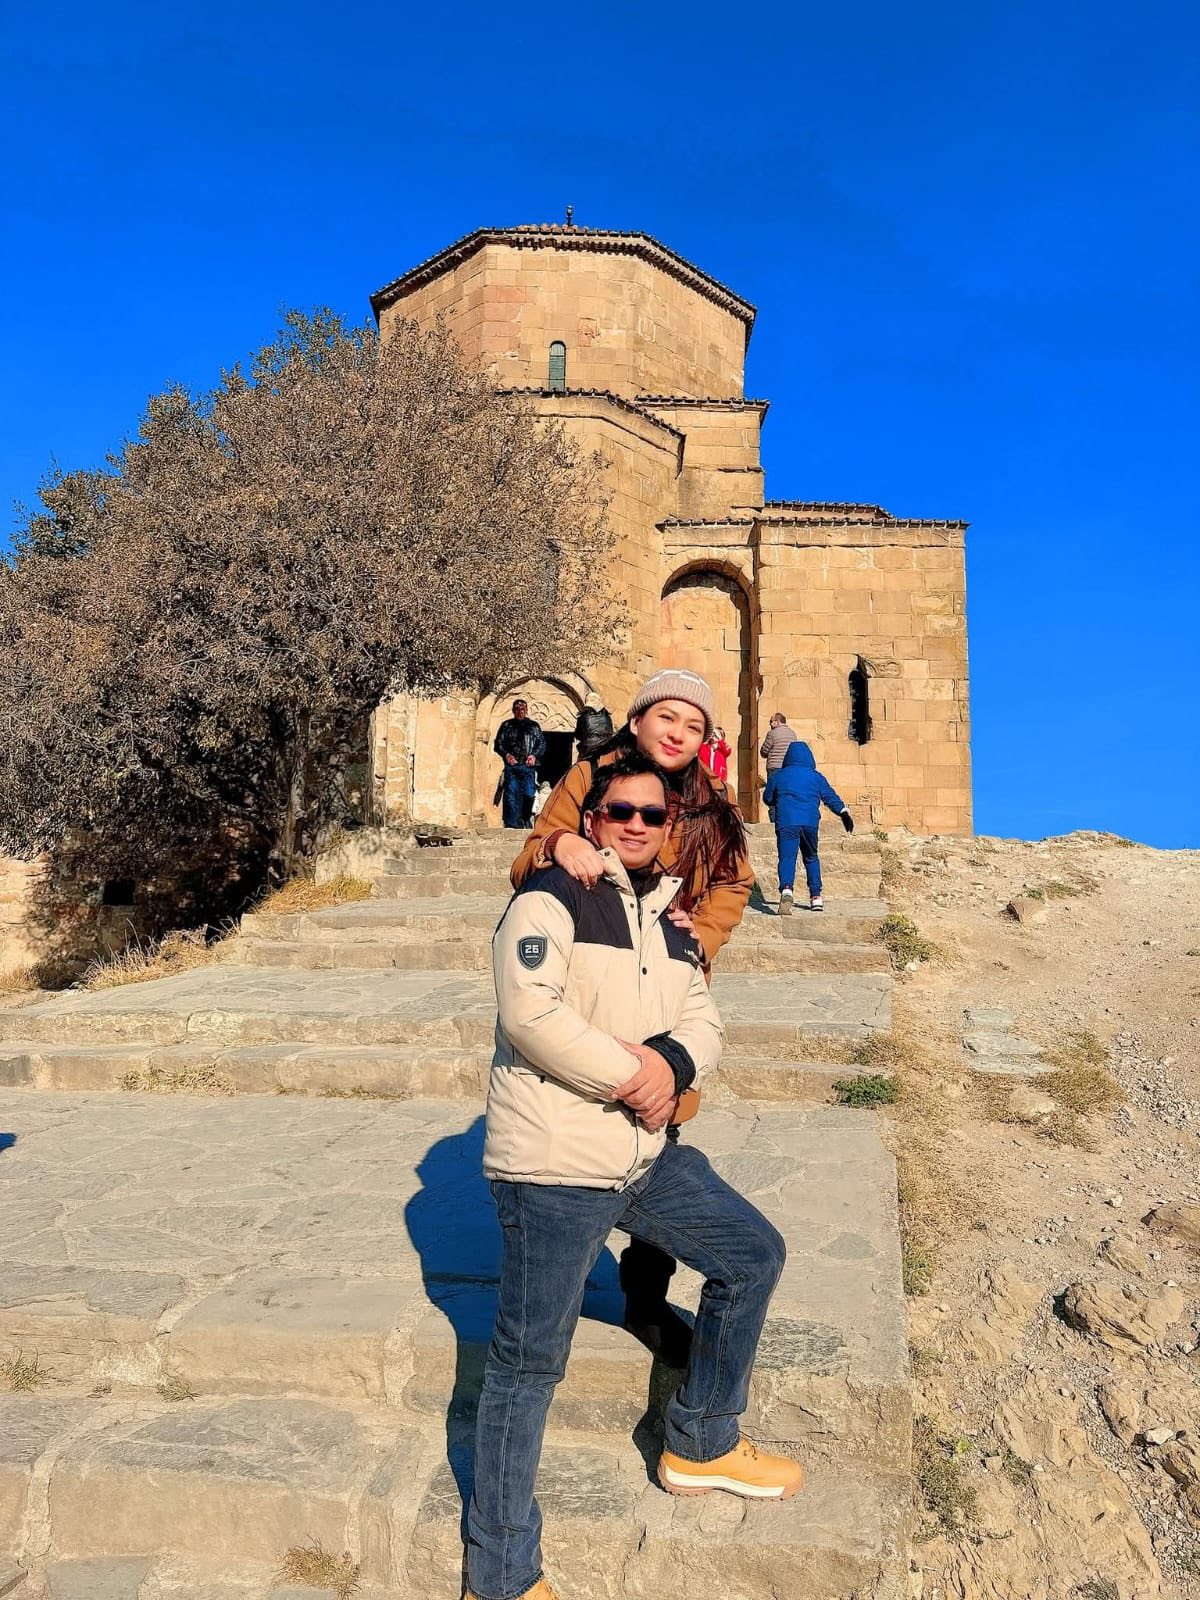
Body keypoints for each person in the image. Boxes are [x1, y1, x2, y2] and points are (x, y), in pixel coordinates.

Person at [465, 755, 801, 1600]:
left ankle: (702, 1440)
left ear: (672, 826)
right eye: (621, 811)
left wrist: (673, 1064)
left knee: (751, 1254)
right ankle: (500, 1576)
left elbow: (702, 1018)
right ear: (592, 818)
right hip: (554, 1164)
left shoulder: (671, 916)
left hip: (644, 1156)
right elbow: (529, 1013)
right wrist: (636, 1077)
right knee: (527, 1366)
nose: (638, 825)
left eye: (654, 814)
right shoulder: (549, 897)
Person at [510, 668, 754, 1366]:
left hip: (667, 992)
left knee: (658, 1132)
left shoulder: (713, 805)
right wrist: (559, 845)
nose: (677, 733)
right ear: (638, 719)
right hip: (591, 986)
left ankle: (645, 1298)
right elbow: (527, 860)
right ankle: (546, 1295)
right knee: (580, 1125)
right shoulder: (591, 780)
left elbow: (733, 881)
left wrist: (701, 937)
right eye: (666, 717)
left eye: (694, 725)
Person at [762, 740, 854, 914]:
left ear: (788, 758)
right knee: (811, 857)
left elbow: (767, 798)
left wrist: (778, 800)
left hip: (787, 821)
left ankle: (787, 889)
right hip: (810, 823)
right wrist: (843, 812)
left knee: (787, 858)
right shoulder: (816, 777)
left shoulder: (779, 776)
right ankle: (816, 897)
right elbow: (829, 796)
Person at [493, 699, 547, 829]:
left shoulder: (533, 726)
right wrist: (506, 755)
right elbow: (498, 744)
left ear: (526, 710)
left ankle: (525, 818)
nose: (520, 711)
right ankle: (512, 823)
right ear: (513, 711)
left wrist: (534, 755)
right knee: (511, 793)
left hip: (528, 766)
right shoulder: (506, 725)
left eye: (523, 709)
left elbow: (542, 743)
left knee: (529, 793)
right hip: (512, 766)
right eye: (517, 709)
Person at [573, 692, 613, 759]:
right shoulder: (607, 716)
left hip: (588, 750)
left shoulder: (583, 715)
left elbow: (578, 735)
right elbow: (610, 732)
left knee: (580, 763)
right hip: (606, 749)